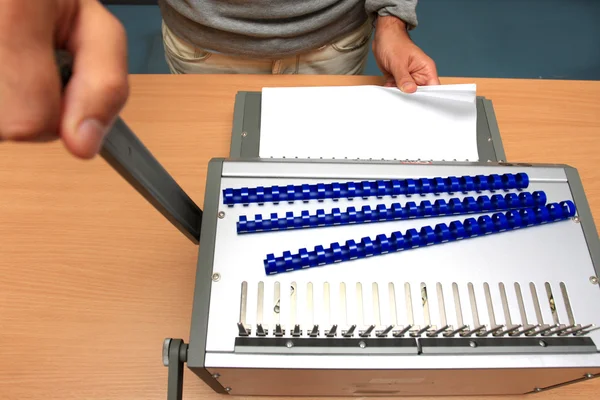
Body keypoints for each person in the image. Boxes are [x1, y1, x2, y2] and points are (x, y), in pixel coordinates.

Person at [0, 0, 438, 160]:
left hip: (331, 38)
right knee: (212, 163)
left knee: (318, 161)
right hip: (205, 43)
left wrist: (391, 19)